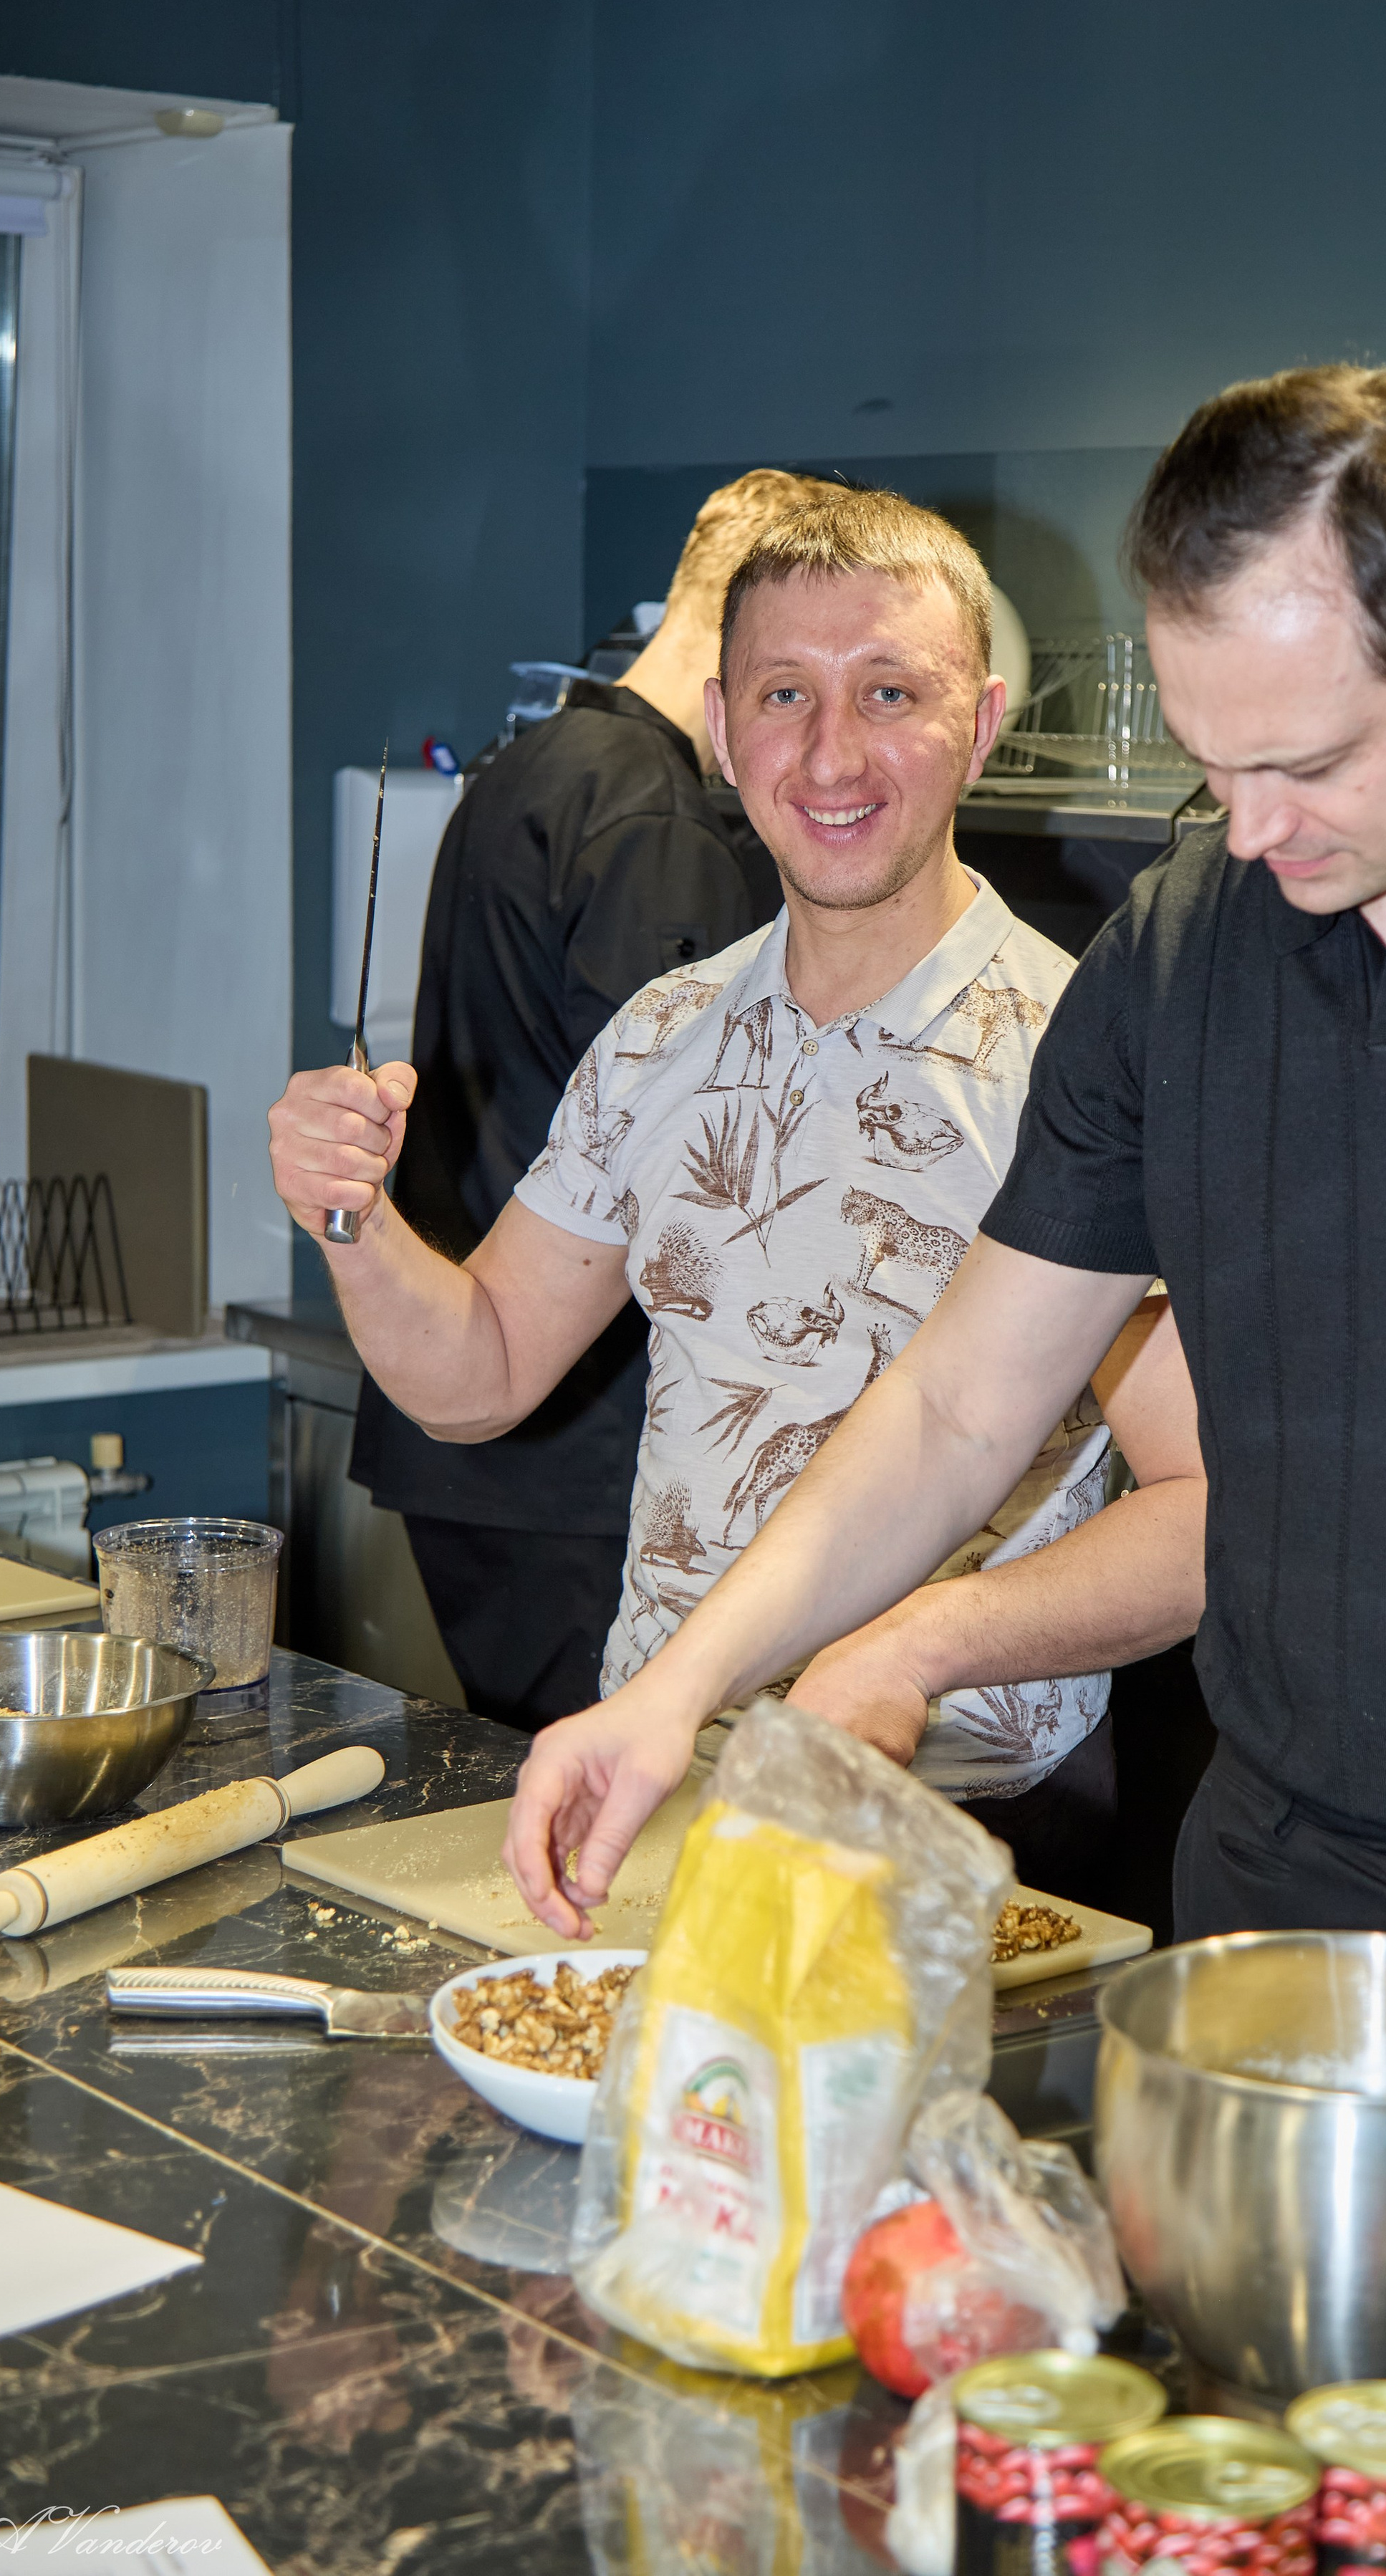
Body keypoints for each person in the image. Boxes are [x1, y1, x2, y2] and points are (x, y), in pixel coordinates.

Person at [506, 365, 1386, 2065]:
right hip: (1272, 1895)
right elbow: (953, 1404)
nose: (1249, 831)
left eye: (1301, 765)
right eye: (1210, 766)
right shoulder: (1177, 954)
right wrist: (669, 1695)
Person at [271, 488, 1207, 1898]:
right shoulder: (662, 1032)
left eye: (888, 690)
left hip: (964, 1831)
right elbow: (481, 1373)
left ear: (983, 720)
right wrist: (355, 1218)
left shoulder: (1070, 1062)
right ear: (719, 728)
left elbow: (1209, 1517)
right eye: (784, 694)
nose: (832, 752)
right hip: (667, 1799)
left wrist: (922, 1640)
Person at [347, 470, 837, 1731]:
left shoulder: (535, 760)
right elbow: (695, 1159)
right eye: (795, 675)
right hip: (566, 1447)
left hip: (476, 1436)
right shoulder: (659, 820)